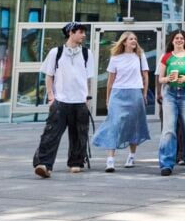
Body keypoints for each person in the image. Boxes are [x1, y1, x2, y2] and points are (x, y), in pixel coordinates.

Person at [32, 22, 93, 178]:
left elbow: (88, 78)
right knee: (51, 133)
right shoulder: (56, 52)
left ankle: (76, 162)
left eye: (84, 32)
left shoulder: (87, 53)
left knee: (79, 134)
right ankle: (44, 164)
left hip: (80, 101)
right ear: (71, 33)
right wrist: (51, 96)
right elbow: (49, 76)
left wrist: (87, 97)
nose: (84, 35)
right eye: (81, 32)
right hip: (60, 100)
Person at [92, 32, 151, 172]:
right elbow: (110, 80)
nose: (134, 41)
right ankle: (110, 160)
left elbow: (145, 76)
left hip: (135, 93)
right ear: (124, 42)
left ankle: (131, 156)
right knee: (114, 124)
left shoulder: (140, 56)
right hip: (118, 93)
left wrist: (144, 94)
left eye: (135, 39)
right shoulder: (115, 58)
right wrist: (108, 98)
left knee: (134, 125)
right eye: (131, 39)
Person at [157, 29, 185, 176]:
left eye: (181, 38)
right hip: (170, 94)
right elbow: (160, 79)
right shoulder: (166, 57)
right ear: (172, 40)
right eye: (176, 38)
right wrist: (168, 79)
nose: (179, 40)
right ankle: (166, 164)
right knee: (168, 129)